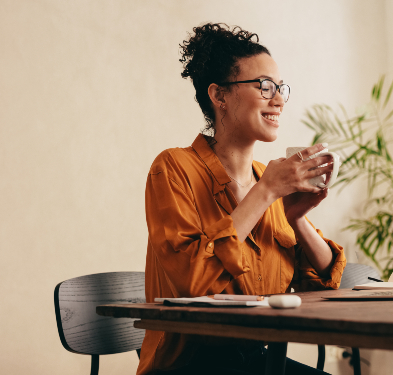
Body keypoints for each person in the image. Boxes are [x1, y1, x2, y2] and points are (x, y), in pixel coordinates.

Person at [139, 23, 346, 375]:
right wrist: (265, 192)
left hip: (255, 359)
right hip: (188, 365)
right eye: (264, 86)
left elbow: (323, 280)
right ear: (219, 96)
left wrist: (296, 218)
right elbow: (194, 282)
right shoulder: (173, 168)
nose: (278, 99)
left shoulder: (268, 178)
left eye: (281, 88)